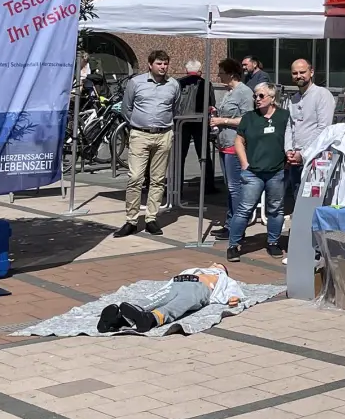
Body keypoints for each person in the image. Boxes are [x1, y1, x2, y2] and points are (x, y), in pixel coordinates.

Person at [115, 50, 180, 238]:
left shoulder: (173, 85)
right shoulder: (136, 83)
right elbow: (126, 108)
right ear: (150, 64)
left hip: (163, 135)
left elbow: (175, 107)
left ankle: (151, 218)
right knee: (135, 177)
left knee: (158, 179)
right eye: (159, 63)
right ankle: (131, 220)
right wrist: (137, 125)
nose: (163, 67)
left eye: (166, 63)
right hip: (140, 135)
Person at [232, 83, 290, 261]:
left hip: (277, 172)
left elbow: (292, 138)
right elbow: (239, 141)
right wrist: (244, 164)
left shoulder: (284, 116)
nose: (257, 99)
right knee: (244, 209)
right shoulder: (249, 117)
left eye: (261, 96)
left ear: (272, 98)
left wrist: (287, 162)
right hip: (253, 173)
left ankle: (273, 242)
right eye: (255, 96)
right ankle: (233, 245)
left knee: (276, 209)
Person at [97, 264, 245, 333]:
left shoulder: (223, 278)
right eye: (214, 264)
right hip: (180, 281)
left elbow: (234, 291)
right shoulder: (197, 269)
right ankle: (119, 317)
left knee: (180, 303)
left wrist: (233, 298)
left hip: (199, 288)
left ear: (223, 270)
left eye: (219, 265)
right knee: (157, 298)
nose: (215, 265)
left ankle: (151, 319)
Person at [209, 59, 254, 241]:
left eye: (221, 72)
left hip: (235, 145)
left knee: (236, 188)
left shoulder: (244, 92)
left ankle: (238, 227)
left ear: (231, 73)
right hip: (224, 142)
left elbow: (248, 119)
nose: (219, 75)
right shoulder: (229, 92)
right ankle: (230, 224)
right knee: (230, 187)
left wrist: (223, 121)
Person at [284, 58, 336, 214]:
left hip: (316, 158)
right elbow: (289, 126)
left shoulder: (322, 94)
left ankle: (314, 237)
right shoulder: (293, 99)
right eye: (295, 73)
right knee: (297, 199)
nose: (299, 76)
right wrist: (289, 150)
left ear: (311, 72)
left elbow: (323, 128)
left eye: (302, 72)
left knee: (313, 202)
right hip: (295, 159)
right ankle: (301, 236)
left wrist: (304, 152)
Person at [176, 60, 207, 188]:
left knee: (179, 155)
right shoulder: (205, 83)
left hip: (181, 122)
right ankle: (208, 185)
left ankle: (177, 186)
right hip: (200, 121)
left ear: (186, 70)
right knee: (204, 155)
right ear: (200, 70)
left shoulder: (178, 83)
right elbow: (211, 102)